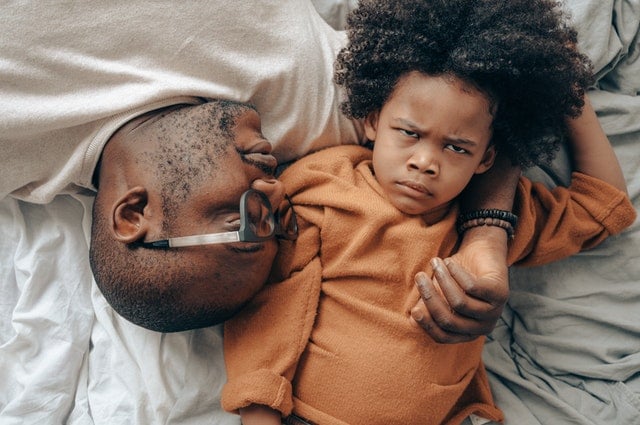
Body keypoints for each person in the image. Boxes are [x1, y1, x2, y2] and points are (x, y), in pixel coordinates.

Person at [0, 1, 510, 423]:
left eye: (245, 222)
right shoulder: (319, 110)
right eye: (278, 222)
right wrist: (487, 237)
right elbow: (480, 104)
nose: (275, 190)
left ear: (135, 213)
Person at [220, 0, 636, 424]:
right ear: (371, 120)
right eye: (409, 133)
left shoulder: (496, 220)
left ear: (487, 159)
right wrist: (259, 412)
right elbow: (274, 301)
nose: (425, 161)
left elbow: (603, 204)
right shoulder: (324, 184)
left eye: (456, 148)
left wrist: (570, 95)